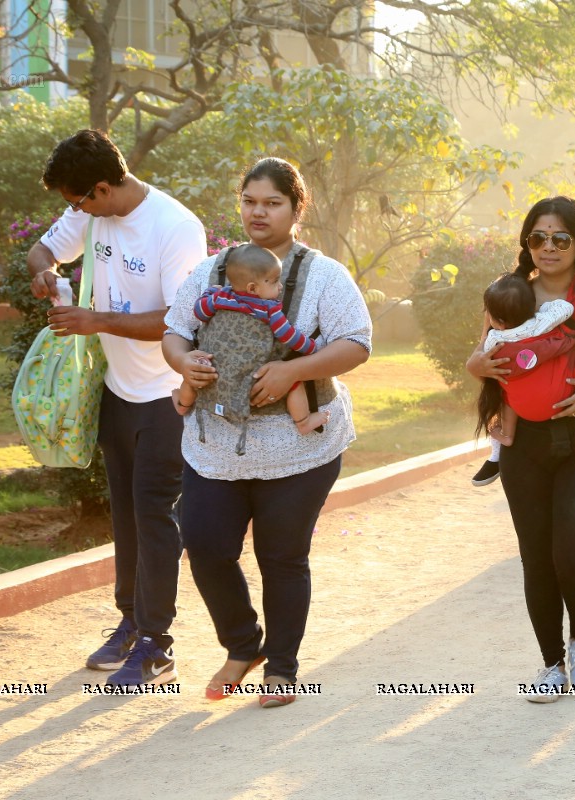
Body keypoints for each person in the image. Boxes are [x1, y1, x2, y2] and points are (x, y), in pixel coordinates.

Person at [163, 158, 371, 707]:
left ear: (297, 209)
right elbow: (174, 333)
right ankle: (242, 643)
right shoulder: (212, 271)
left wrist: (293, 371)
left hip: (300, 445)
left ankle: (281, 666)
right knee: (205, 545)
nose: (259, 212)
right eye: (250, 200)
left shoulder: (323, 275)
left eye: (273, 202)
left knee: (281, 556)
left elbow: (356, 342)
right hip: (214, 445)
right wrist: (185, 364)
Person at [27, 130, 206, 686]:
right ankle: (130, 622)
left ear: (102, 188)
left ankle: (157, 643)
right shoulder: (93, 214)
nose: (72, 212)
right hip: (117, 391)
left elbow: (180, 321)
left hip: (164, 397)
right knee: (126, 514)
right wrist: (44, 272)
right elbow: (42, 249)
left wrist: (96, 321)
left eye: (76, 201)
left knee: (155, 515)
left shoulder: (175, 227)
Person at [465, 196, 575, 700]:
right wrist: (476, 367)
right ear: (527, 244)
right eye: (537, 238)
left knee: (573, 555)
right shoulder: (508, 295)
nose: (548, 248)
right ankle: (550, 663)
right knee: (536, 559)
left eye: (560, 238)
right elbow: (483, 357)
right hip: (525, 447)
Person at [473, 273, 575, 492]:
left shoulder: (494, 339)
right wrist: (543, 308)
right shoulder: (540, 324)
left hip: (523, 408)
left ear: (496, 320)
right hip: (565, 401)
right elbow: (565, 309)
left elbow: (478, 360)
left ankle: (505, 435)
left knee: (506, 391)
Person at [172, 243, 329, 441]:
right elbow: (288, 336)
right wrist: (312, 347)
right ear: (253, 288)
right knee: (294, 385)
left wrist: (208, 293)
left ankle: (183, 404)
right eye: (273, 282)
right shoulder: (269, 309)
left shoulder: (221, 296)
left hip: (217, 369)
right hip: (251, 375)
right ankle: (304, 422)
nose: (280, 287)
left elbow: (199, 311)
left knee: (195, 374)